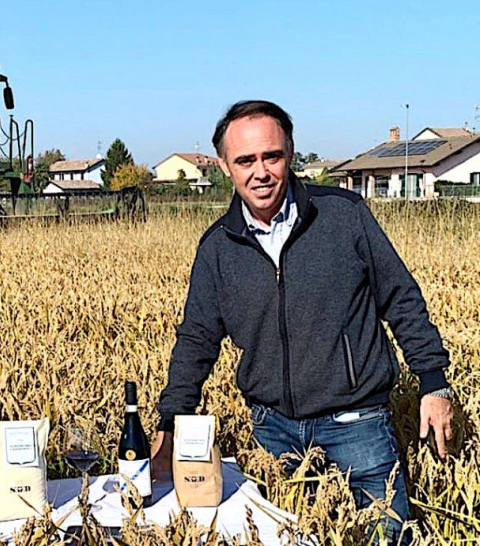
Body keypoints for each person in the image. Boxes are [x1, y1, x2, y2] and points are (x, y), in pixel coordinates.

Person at [153, 100, 454, 542]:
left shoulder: (344, 215)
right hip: (272, 432)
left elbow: (401, 297)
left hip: (359, 425)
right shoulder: (217, 248)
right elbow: (196, 340)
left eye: (270, 156)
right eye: (245, 160)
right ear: (224, 166)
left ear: (290, 152)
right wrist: (171, 420)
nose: (260, 172)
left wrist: (433, 382)